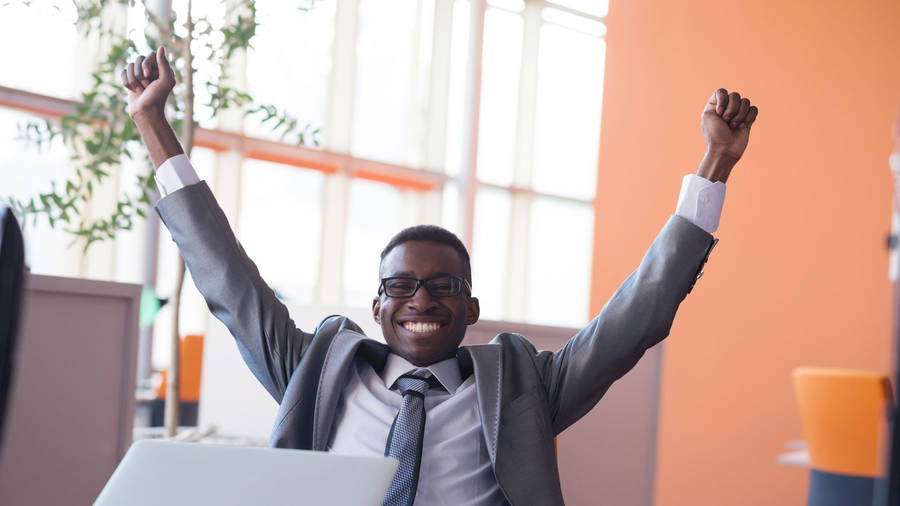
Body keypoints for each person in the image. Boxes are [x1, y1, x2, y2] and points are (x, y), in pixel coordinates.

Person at [122, 47, 758, 505]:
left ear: (472, 306)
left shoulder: (525, 389)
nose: (420, 297)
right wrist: (153, 124)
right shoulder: (313, 372)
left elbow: (636, 317)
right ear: (377, 306)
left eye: (443, 285)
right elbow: (229, 284)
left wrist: (714, 164)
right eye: (400, 286)